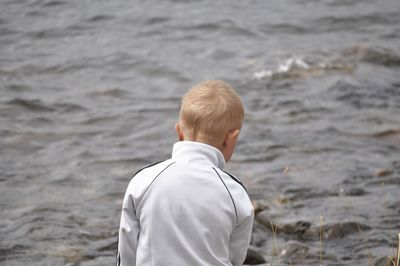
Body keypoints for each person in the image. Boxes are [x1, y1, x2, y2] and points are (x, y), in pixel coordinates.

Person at [117, 80, 254, 266]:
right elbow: (235, 258)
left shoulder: (144, 181)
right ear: (232, 138)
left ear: (179, 132)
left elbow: (126, 251)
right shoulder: (235, 194)